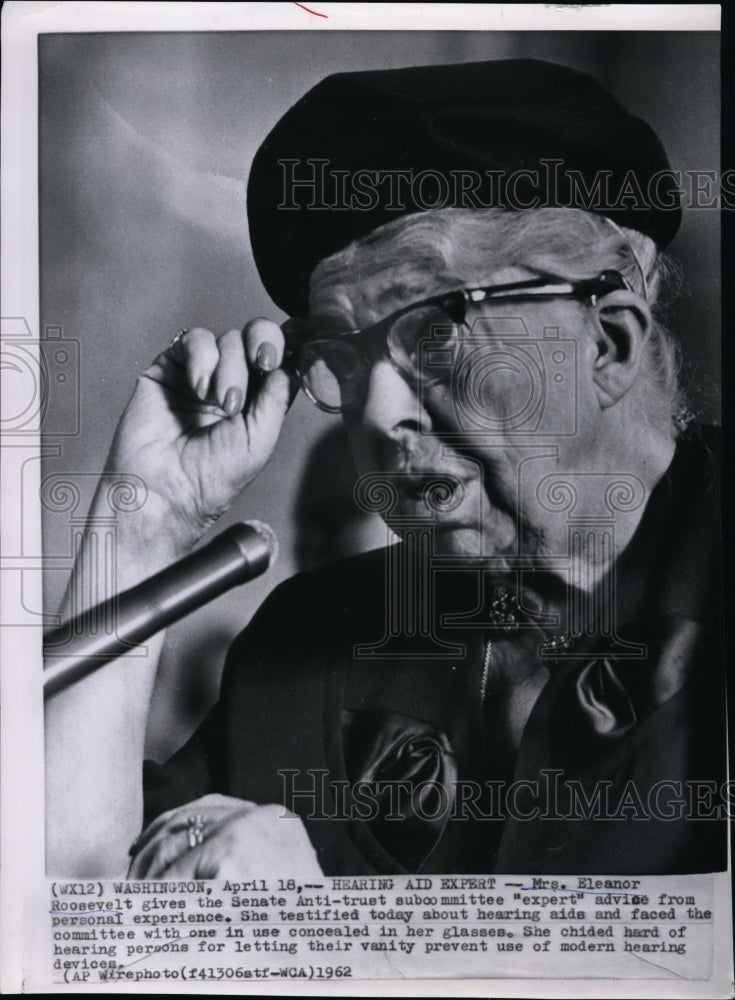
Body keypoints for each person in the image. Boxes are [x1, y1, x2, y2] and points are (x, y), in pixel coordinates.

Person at [45, 58, 725, 878]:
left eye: (435, 337)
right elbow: (64, 908)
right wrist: (140, 519)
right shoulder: (311, 640)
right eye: (343, 359)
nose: (374, 414)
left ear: (607, 341)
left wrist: (333, 944)